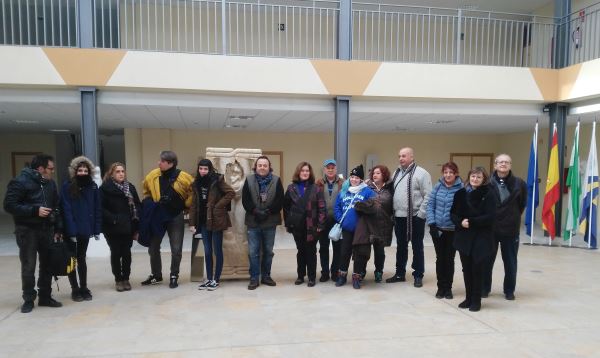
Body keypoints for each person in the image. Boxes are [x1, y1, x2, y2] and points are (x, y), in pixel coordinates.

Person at [4, 154, 63, 313]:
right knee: (29, 266)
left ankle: (45, 296)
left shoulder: (50, 183)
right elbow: (9, 205)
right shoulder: (20, 182)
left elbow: (57, 205)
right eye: (50, 168)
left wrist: (58, 227)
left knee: (47, 265)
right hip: (27, 230)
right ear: (40, 169)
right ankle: (29, 299)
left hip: (47, 230)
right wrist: (34, 210)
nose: (52, 171)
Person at [141, 150, 193, 288]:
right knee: (153, 247)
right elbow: (145, 189)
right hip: (157, 215)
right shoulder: (153, 175)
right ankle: (156, 275)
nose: (159, 163)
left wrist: (187, 205)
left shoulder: (184, 177)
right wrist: (149, 202)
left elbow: (193, 191)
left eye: (162, 161)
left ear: (170, 163)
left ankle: (174, 275)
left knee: (176, 249)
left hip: (175, 215)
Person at [451, 167, 496, 312]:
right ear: (468, 177)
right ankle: (468, 298)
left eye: (478, 177)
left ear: (484, 179)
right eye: (473, 176)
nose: (475, 179)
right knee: (466, 269)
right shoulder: (460, 193)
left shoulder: (489, 194)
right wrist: (460, 222)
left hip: (481, 237)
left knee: (477, 269)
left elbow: (491, 216)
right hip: (464, 237)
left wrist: (471, 221)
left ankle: (476, 300)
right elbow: (453, 213)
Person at [482, 154, 527, 300]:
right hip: (490, 229)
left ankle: (509, 290)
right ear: (495, 165)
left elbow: (522, 205)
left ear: (510, 165)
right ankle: (484, 288)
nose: (503, 164)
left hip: (510, 230)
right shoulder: (486, 182)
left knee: (510, 263)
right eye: (500, 162)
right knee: (486, 261)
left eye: (507, 162)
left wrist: (511, 216)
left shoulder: (519, 183)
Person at [387, 147, 432, 288]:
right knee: (401, 246)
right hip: (399, 216)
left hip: (415, 217)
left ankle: (418, 275)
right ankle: (400, 273)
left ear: (412, 157)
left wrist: (421, 215)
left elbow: (428, 195)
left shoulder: (422, 173)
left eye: (404, 156)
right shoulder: (396, 173)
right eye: (399, 156)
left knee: (417, 246)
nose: (401, 158)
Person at [189, 159, 235, 291]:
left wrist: (218, 206)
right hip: (203, 221)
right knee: (207, 251)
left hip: (216, 220)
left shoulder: (217, 180)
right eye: (201, 168)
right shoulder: (196, 183)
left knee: (217, 250)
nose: (203, 171)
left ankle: (216, 279)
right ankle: (209, 278)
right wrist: (192, 223)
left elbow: (230, 193)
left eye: (205, 169)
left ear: (210, 169)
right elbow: (193, 204)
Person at [61, 156, 102, 302]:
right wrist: (71, 231)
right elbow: (66, 210)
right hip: (71, 229)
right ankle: (75, 289)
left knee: (82, 258)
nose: (83, 172)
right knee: (72, 260)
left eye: (85, 170)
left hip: (86, 229)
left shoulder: (93, 187)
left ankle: (84, 287)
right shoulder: (67, 186)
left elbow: (97, 208)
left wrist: (96, 230)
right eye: (80, 170)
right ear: (74, 171)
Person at [242, 155, 284, 290]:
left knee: (268, 251)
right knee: (253, 252)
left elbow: (280, 200)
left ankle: (266, 276)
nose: (262, 167)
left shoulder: (277, 180)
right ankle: (254, 278)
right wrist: (256, 211)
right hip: (253, 222)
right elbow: (245, 200)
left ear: (269, 167)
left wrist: (267, 212)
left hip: (270, 222)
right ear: (256, 167)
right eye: (260, 165)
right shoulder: (248, 180)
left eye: (265, 165)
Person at [283, 162, 326, 287]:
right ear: (298, 172)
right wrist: (288, 223)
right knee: (300, 251)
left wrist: (320, 225)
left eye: (307, 170)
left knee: (311, 252)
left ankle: (312, 277)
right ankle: (300, 276)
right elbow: (286, 207)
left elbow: (321, 208)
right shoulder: (291, 188)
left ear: (310, 173)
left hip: (312, 225)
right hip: (297, 226)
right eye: (302, 171)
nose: (305, 173)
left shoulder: (316, 188)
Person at [100, 162, 141, 292]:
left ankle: (126, 278)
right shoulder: (105, 188)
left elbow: (137, 205)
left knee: (127, 254)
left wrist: (136, 225)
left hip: (128, 226)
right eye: (117, 171)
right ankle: (118, 279)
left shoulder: (130, 187)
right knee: (116, 253)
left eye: (122, 171)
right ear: (112, 173)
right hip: (113, 227)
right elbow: (101, 208)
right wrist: (114, 219)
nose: (121, 174)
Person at [352, 165, 394, 288]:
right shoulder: (366, 187)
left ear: (384, 175)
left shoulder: (390, 188)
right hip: (368, 225)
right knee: (363, 250)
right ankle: (362, 271)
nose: (375, 175)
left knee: (380, 252)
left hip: (383, 224)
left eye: (378, 173)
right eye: (374, 173)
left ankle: (378, 272)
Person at [333, 164, 375, 287]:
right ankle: (342, 276)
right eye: (352, 177)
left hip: (361, 231)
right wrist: (341, 218)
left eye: (356, 178)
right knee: (344, 253)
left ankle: (356, 278)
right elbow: (337, 207)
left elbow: (374, 207)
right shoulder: (344, 191)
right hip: (346, 229)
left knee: (359, 255)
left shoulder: (368, 192)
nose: (354, 180)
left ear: (361, 179)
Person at [426, 162, 463, 299]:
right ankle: (440, 287)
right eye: (445, 172)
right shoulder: (438, 186)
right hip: (438, 230)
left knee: (449, 259)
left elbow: (463, 209)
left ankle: (448, 288)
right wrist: (432, 224)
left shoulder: (461, 188)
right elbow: (430, 205)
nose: (448, 175)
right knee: (440, 259)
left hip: (453, 231)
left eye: (451, 172)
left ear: (456, 174)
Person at [315, 159, 344, 282]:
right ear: (324, 169)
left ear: (336, 169)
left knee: (338, 248)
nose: (330, 170)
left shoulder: (343, 183)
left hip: (337, 221)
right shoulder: (319, 183)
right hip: (323, 220)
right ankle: (325, 272)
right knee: (323, 248)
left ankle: (335, 272)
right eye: (328, 168)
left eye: (333, 168)